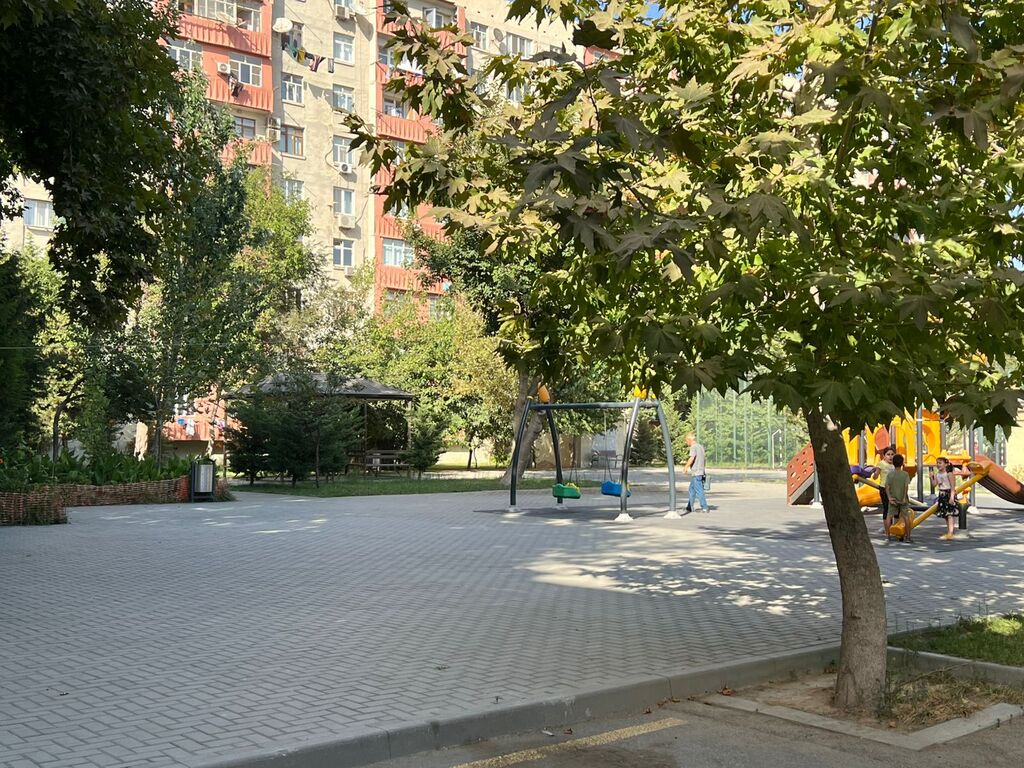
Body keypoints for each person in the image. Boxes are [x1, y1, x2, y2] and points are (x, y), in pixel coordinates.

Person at [885, 454, 913, 542]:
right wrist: (904, 497)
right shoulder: (905, 474)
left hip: (893, 499)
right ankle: (908, 537)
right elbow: (906, 486)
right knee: (906, 517)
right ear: (902, 463)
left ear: (893, 463)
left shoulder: (890, 474)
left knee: (889, 516)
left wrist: (889, 497)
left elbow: (887, 487)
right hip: (902, 499)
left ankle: (888, 536)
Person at [684, 433, 710, 513]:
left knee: (699, 490)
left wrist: (686, 467)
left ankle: (704, 507)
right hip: (700, 471)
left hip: (696, 472)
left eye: (686, 441)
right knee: (691, 490)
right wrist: (703, 470)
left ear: (689, 440)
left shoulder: (693, 447)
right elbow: (704, 459)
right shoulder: (700, 447)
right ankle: (689, 507)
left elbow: (692, 458)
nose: (686, 443)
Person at [873, 447, 896, 535]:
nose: (890, 456)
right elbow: (875, 476)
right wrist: (875, 473)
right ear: (884, 456)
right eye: (888, 454)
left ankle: (893, 528)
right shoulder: (881, 464)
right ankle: (887, 530)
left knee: (894, 509)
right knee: (887, 508)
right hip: (884, 488)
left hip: (893, 489)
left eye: (892, 454)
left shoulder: (894, 465)